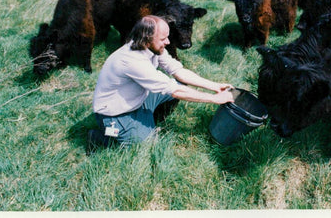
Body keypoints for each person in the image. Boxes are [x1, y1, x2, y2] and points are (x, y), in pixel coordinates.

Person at [87, 15, 234, 152]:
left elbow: (178, 71)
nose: (168, 42)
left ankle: (146, 121)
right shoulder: (132, 61)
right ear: (147, 39)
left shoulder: (153, 47)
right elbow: (174, 91)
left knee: (181, 84)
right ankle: (101, 138)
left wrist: (214, 86)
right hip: (116, 114)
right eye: (163, 39)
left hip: (138, 98)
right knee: (146, 147)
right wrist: (214, 99)